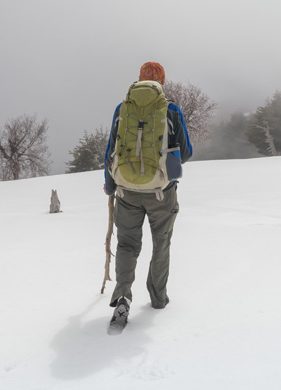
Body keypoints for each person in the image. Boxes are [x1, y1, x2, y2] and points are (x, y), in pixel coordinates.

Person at [104, 62, 193, 328]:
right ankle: (158, 299)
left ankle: (122, 296)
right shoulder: (171, 109)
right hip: (161, 192)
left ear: (139, 79)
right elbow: (186, 153)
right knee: (161, 244)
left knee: (127, 245)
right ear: (161, 82)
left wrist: (110, 186)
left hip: (126, 190)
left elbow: (111, 149)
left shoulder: (123, 108)